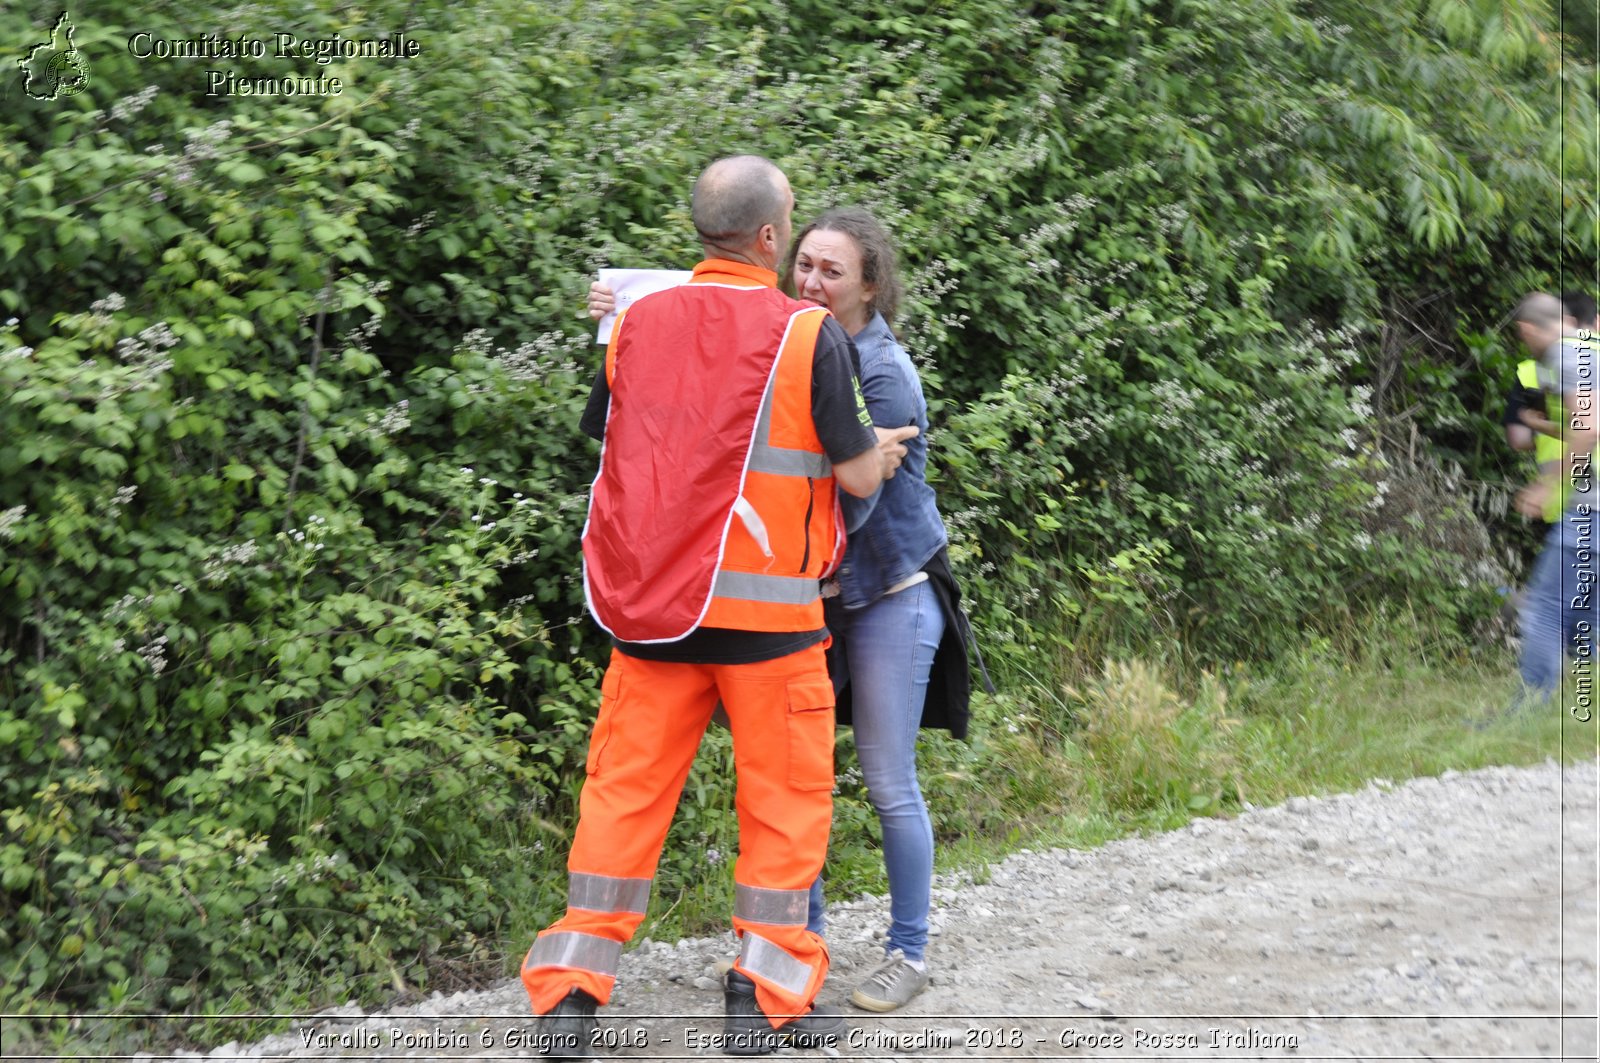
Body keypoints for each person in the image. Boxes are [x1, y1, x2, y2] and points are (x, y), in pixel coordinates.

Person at [520, 155, 919, 1060]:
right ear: (773, 238)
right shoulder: (806, 332)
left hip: (652, 613)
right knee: (782, 807)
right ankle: (763, 1003)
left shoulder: (636, 321)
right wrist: (885, 451)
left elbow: (620, 437)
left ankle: (571, 998)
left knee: (621, 800)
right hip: (771, 623)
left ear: (702, 229)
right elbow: (855, 471)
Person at [588, 205, 987, 1013]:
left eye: (830, 272)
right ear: (777, 252)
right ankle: (783, 970)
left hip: (884, 595)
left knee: (883, 779)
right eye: (803, 264)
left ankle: (906, 951)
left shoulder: (876, 366)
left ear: (870, 286)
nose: (809, 280)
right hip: (801, 598)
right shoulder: (795, 340)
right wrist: (623, 311)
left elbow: (856, 506)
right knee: (787, 785)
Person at [1512, 291, 1598, 704]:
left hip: (1592, 505)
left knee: (1544, 606)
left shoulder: (1565, 356)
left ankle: (1529, 709)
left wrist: (1547, 484)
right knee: (1586, 613)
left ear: (1528, 329)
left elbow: (1588, 425)